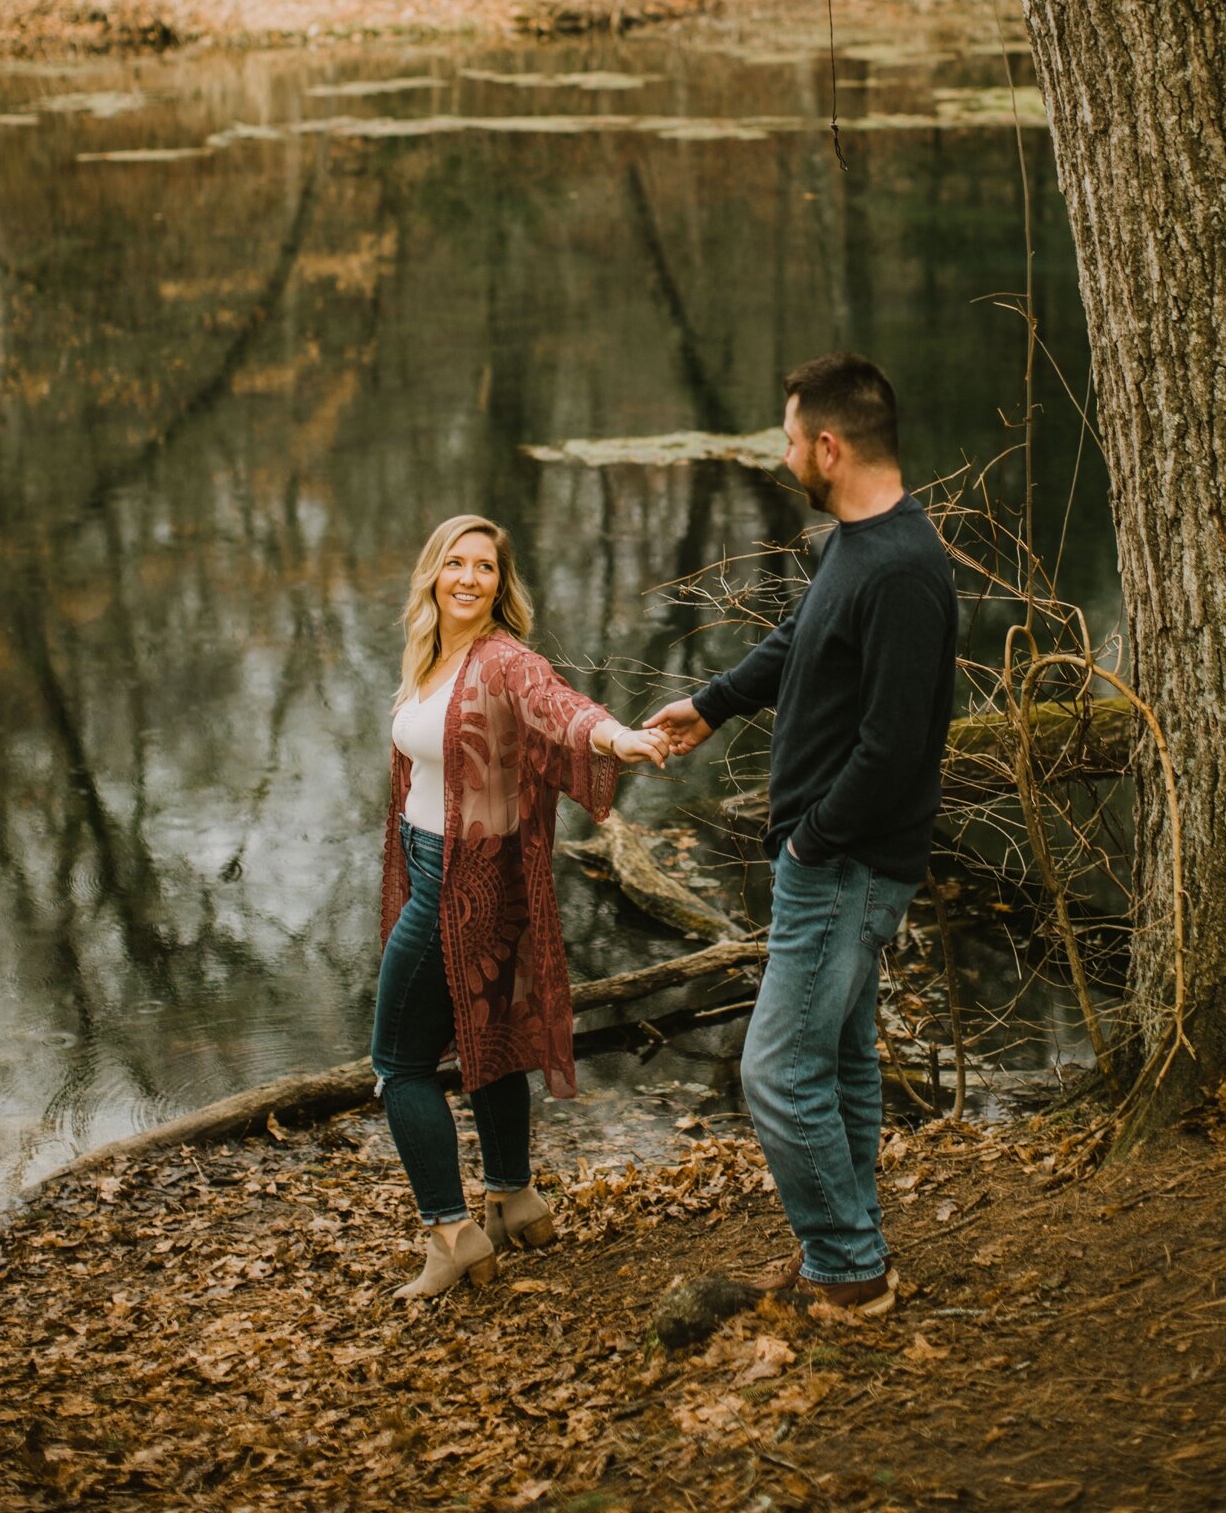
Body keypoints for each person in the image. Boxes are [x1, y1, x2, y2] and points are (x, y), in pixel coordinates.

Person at [646, 353, 958, 1315]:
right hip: (834, 863)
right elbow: (801, 640)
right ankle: (853, 1246)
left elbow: (896, 745)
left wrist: (812, 841)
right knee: (839, 1061)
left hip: (846, 866)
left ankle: (847, 1270)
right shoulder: (857, 544)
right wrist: (713, 702)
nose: (782, 453)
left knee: (777, 1072)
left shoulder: (903, 570)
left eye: (788, 438)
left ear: (829, 445)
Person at [373, 512, 669, 1300]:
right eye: (456, 564)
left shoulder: (504, 660)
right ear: (433, 572)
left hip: (456, 884)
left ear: (502, 585)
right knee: (488, 1038)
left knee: (399, 1065)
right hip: (476, 874)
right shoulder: (434, 656)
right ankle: (514, 1197)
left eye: (485, 568)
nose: (469, 578)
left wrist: (616, 737)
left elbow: (558, 705)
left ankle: (450, 1232)